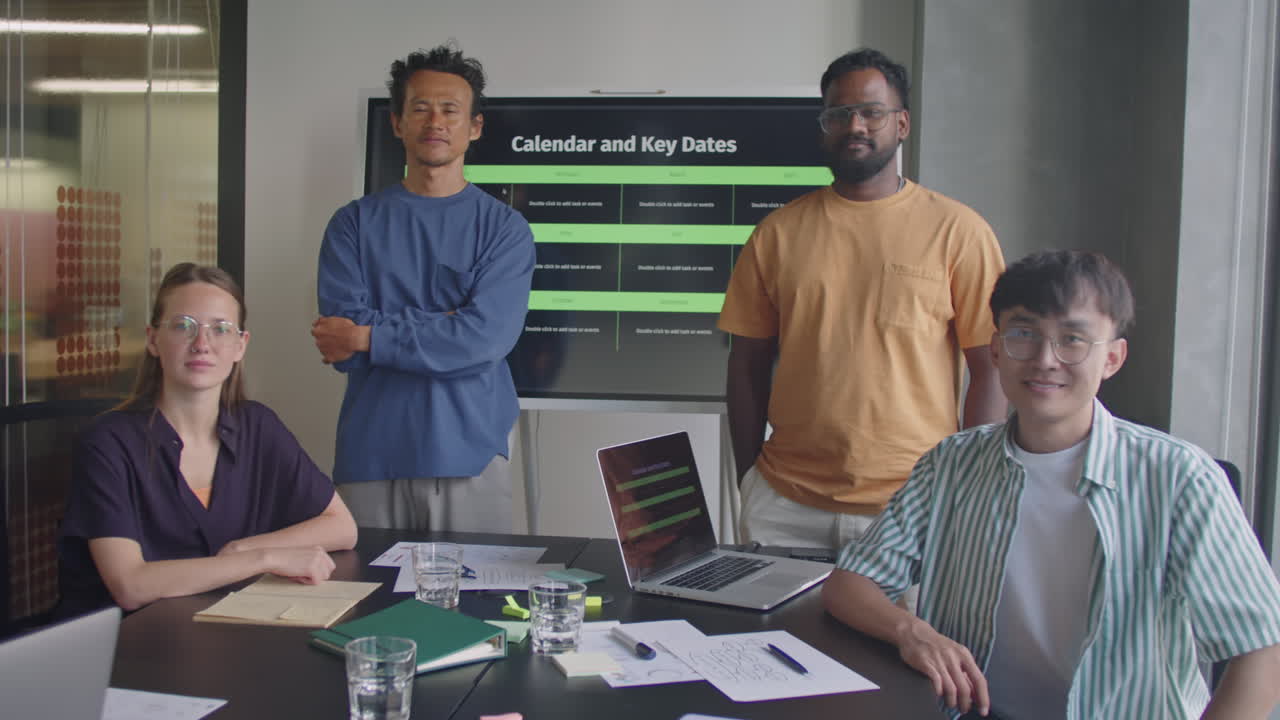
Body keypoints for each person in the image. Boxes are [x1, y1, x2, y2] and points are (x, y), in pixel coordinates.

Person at [823, 250, 1280, 719]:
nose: (1045, 360)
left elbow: (1261, 650)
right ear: (997, 350)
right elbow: (850, 584)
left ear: (1113, 358)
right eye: (1024, 335)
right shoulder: (952, 464)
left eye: (1073, 339)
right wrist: (909, 631)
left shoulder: (1179, 478)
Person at [718, 47, 1007, 551]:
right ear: (823, 126)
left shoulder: (959, 231)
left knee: (904, 633)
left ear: (902, 124)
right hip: (785, 507)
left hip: (915, 503)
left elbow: (991, 369)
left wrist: (967, 485)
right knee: (770, 635)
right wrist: (748, 478)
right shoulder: (777, 234)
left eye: (872, 112)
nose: (856, 125)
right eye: (839, 114)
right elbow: (746, 366)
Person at [313, 44, 535, 532]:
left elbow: (484, 340)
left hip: (468, 454)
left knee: (472, 604)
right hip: (371, 453)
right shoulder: (352, 225)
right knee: (365, 603)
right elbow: (339, 345)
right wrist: (445, 326)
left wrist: (372, 336)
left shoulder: (504, 229)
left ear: (473, 127)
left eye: (450, 110)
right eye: (420, 108)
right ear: (397, 123)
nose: (435, 121)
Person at [59, 263, 358, 615]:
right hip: (126, 652)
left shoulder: (257, 425)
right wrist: (263, 557)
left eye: (220, 329)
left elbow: (342, 527)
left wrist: (240, 550)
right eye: (184, 326)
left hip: (227, 632)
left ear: (240, 345)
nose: (202, 344)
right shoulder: (107, 442)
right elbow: (131, 586)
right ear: (154, 339)